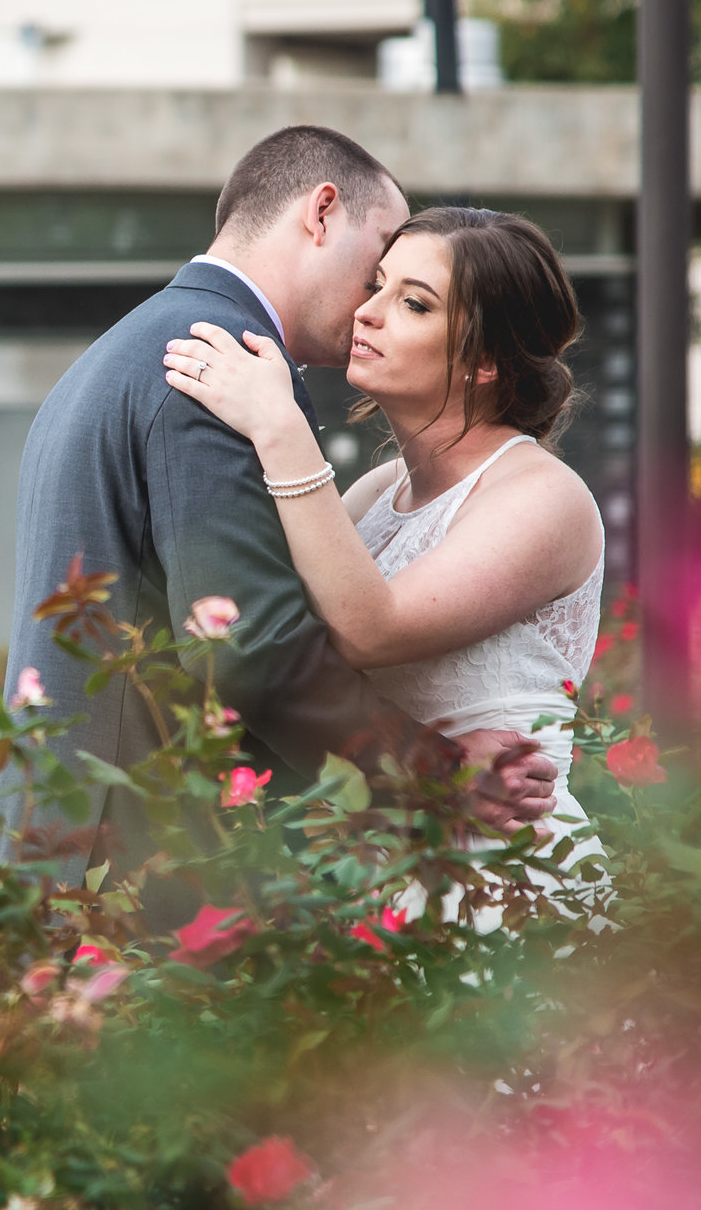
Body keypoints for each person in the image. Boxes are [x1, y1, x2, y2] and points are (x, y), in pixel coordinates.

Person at [0, 128, 560, 891]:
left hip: (60, 844)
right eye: (378, 263)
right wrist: (441, 778)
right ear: (321, 214)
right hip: (136, 870)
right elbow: (249, 647)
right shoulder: (214, 364)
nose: (371, 303)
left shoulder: (130, 348)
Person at [159, 205, 607, 866]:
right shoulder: (374, 494)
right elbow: (292, 645)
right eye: (376, 285)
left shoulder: (543, 497)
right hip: (390, 866)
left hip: (505, 865)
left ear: (484, 360)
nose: (367, 312)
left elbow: (371, 628)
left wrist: (279, 428)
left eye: (414, 304)